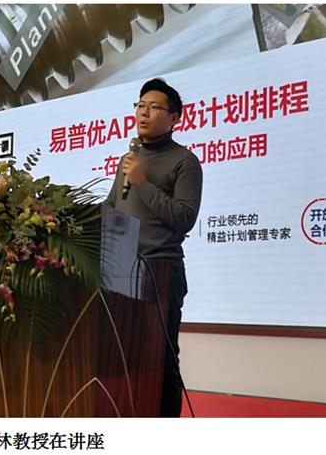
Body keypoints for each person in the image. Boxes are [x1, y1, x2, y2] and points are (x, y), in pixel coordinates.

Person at [106, 78, 203, 417]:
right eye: (140, 105)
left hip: (161, 271)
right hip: (121, 273)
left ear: (174, 118)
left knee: (161, 361)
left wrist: (142, 183)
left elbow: (184, 218)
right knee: (122, 359)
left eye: (154, 107)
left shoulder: (184, 162)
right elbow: (111, 211)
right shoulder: (128, 159)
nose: (143, 113)